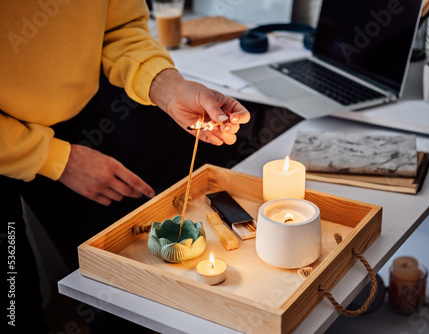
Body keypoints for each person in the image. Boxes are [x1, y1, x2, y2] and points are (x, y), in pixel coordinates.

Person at [0, 1, 250, 333]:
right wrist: (55, 159)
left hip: (76, 116)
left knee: (122, 271)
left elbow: (120, 28)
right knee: (14, 302)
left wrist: (168, 87)